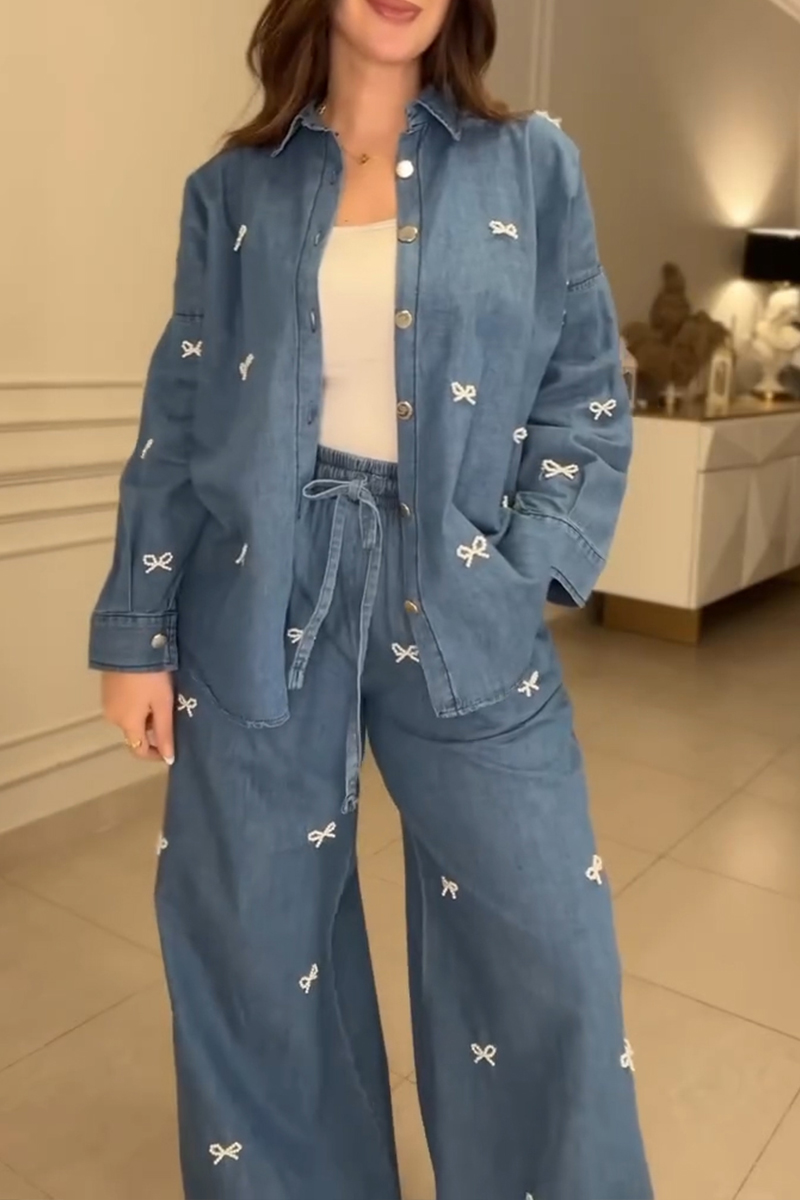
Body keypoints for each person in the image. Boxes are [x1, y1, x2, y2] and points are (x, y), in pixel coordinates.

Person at [90, 0, 653, 1196]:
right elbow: (180, 416)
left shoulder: (532, 164)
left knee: (549, 951)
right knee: (250, 947)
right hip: (258, 591)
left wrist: (522, 566)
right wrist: (135, 630)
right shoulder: (230, 191)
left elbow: (585, 389)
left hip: (458, 587)